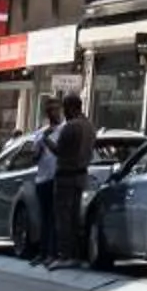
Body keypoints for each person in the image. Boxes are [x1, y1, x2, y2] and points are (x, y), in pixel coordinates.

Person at [45, 92, 93, 269]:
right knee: (75, 217)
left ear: (71, 108)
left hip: (66, 175)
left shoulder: (71, 127)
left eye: (65, 108)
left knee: (63, 217)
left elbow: (59, 151)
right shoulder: (89, 126)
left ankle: (66, 255)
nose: (64, 112)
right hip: (81, 175)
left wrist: (46, 140)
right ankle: (77, 255)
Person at [27, 97, 60, 267]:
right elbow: (34, 158)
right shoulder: (40, 132)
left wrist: (47, 140)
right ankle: (42, 252)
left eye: (55, 109)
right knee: (43, 217)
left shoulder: (63, 130)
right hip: (42, 179)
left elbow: (60, 152)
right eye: (50, 110)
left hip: (56, 178)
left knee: (53, 218)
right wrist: (39, 148)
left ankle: (52, 254)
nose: (53, 113)